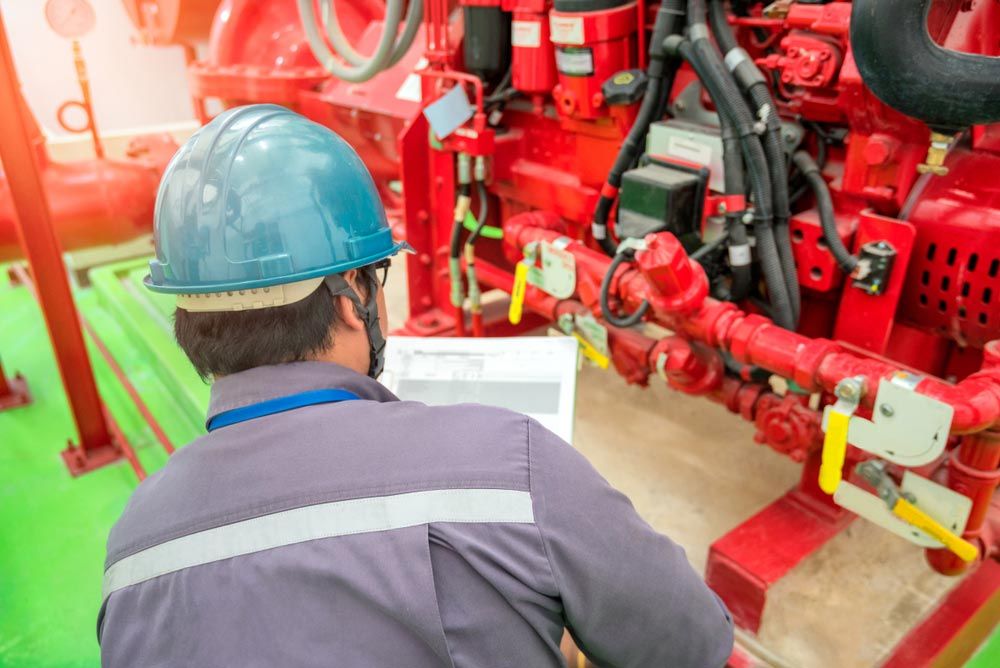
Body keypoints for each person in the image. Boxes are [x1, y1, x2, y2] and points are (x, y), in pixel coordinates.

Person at [98, 104, 734, 667]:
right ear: (354, 300)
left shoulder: (132, 547)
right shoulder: (511, 461)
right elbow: (692, 645)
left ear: (188, 317)